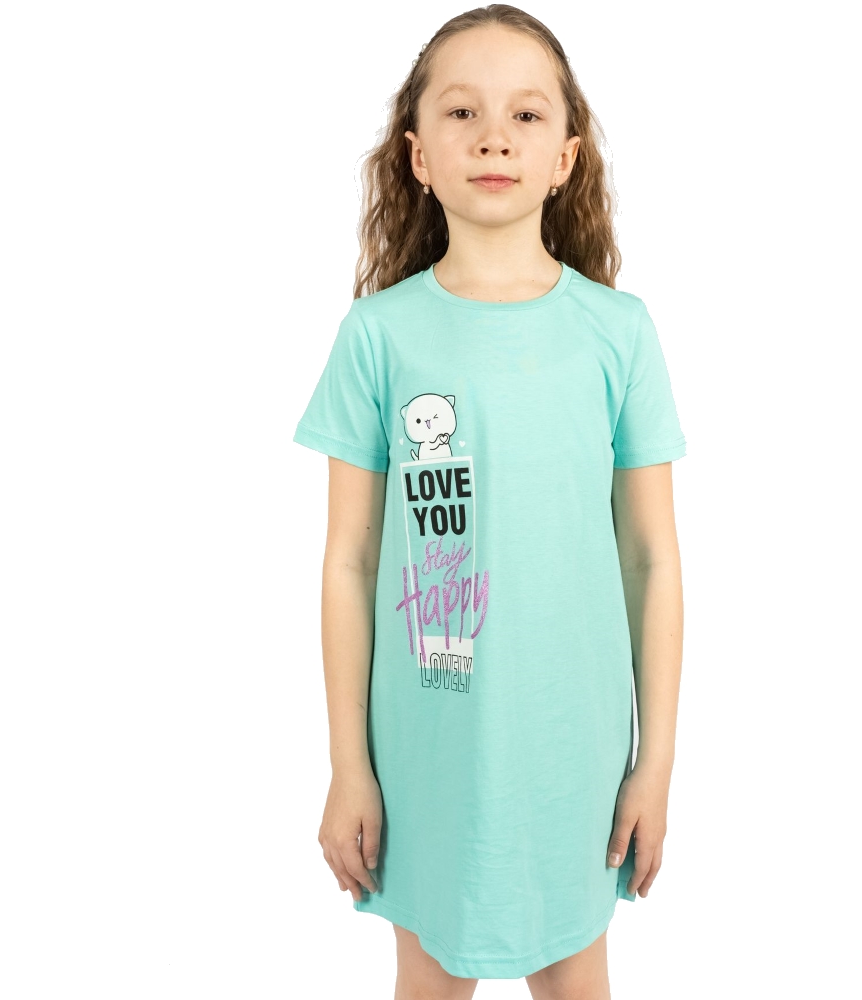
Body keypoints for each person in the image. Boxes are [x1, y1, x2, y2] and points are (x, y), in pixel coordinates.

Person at [292, 5, 687, 997]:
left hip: (574, 755)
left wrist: (654, 764)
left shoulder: (619, 333)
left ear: (565, 158)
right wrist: (349, 765)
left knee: (575, 976)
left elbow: (650, 559)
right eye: (463, 112)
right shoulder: (379, 337)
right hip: (426, 755)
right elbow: (349, 561)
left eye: (526, 114)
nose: (495, 136)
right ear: (418, 155)